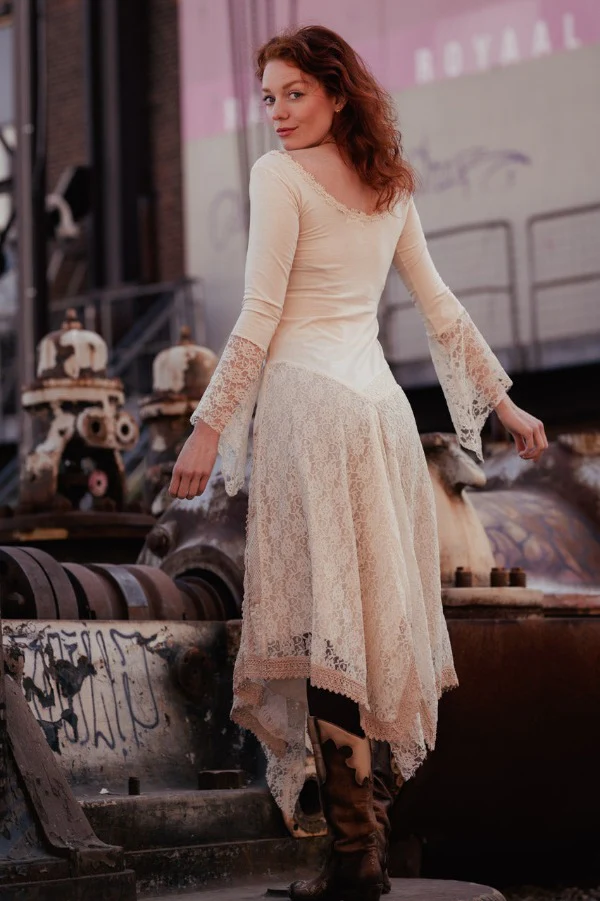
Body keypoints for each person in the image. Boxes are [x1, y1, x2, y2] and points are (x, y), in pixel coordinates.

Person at [169, 24, 548, 901]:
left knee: (323, 627)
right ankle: (360, 846)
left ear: (338, 94)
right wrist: (506, 404)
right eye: (269, 97)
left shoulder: (279, 177)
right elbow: (441, 308)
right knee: (367, 626)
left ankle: (355, 854)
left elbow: (260, 310)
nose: (277, 113)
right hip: (379, 414)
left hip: (310, 411)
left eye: (295, 93)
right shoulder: (389, 183)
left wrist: (208, 424)